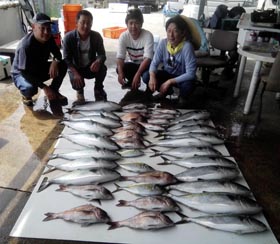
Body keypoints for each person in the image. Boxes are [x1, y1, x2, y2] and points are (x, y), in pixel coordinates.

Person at [11, 13, 68, 112]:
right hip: (22, 73)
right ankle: (26, 96)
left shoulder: (49, 38)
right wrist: (44, 87)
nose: (46, 32)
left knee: (63, 64)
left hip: (38, 68)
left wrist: (55, 61)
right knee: (30, 88)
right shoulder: (25, 46)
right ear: (33, 27)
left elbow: (58, 53)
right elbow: (24, 72)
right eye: (42, 28)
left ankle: (53, 90)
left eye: (48, 28)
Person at [148, 15, 197, 107]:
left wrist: (169, 81)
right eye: (169, 31)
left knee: (188, 85)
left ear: (183, 33)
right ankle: (164, 93)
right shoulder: (163, 43)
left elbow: (191, 74)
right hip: (168, 74)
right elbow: (154, 63)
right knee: (148, 75)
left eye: (175, 31)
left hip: (182, 78)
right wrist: (152, 76)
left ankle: (183, 98)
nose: (171, 35)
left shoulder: (187, 47)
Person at [63, 9, 107, 104]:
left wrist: (98, 61)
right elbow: (66, 59)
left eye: (89, 23)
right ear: (77, 23)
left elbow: (102, 54)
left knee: (103, 68)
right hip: (76, 68)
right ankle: (79, 92)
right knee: (76, 80)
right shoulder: (68, 38)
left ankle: (98, 88)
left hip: (90, 68)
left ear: (91, 24)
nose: (86, 26)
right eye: (83, 22)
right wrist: (75, 73)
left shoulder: (96, 36)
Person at [116, 8, 154, 91]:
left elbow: (147, 59)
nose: (133, 26)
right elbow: (120, 57)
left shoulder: (148, 35)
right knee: (119, 69)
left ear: (141, 24)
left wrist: (138, 74)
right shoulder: (123, 36)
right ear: (127, 24)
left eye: (136, 23)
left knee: (146, 76)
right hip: (135, 64)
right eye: (131, 23)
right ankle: (132, 82)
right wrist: (120, 73)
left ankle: (150, 88)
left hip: (147, 65)